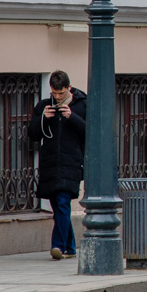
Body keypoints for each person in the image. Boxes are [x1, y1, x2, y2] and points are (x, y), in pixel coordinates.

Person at [27, 70, 87, 260]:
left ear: (69, 88)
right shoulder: (44, 106)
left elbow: (91, 132)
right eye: (55, 93)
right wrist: (43, 118)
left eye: (61, 93)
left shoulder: (82, 105)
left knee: (62, 202)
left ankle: (58, 246)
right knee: (58, 206)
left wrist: (72, 117)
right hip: (50, 163)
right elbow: (33, 134)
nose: (58, 97)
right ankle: (70, 247)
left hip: (71, 163)